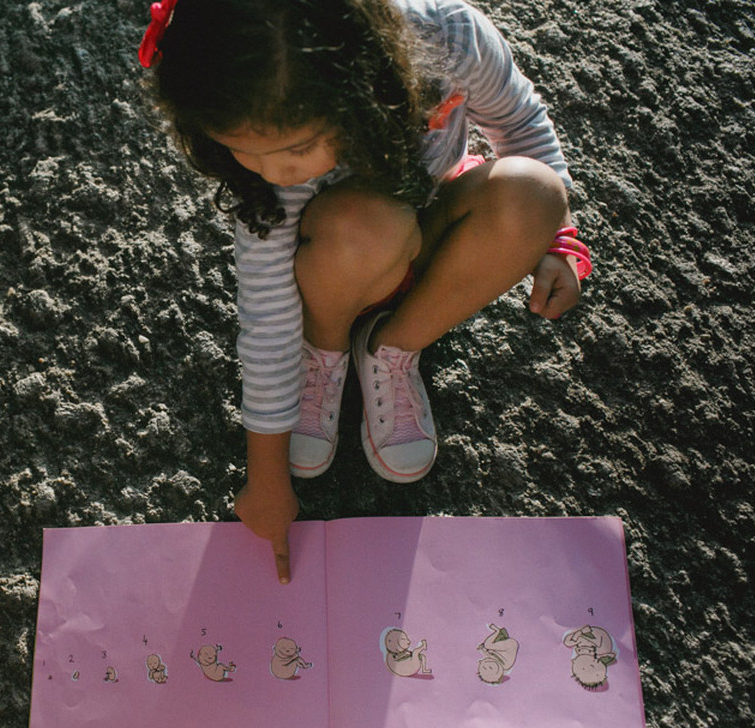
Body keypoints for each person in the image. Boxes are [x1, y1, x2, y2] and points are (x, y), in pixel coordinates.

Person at [139, 0, 592, 583]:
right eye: (239, 150)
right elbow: (268, 315)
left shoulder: (452, 37)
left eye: (297, 150)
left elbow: (523, 127)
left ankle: (393, 346)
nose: (270, 173)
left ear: (360, 89)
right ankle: (324, 353)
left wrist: (557, 239)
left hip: (430, 229)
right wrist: (266, 475)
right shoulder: (264, 165)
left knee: (535, 190)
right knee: (362, 229)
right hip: (336, 258)